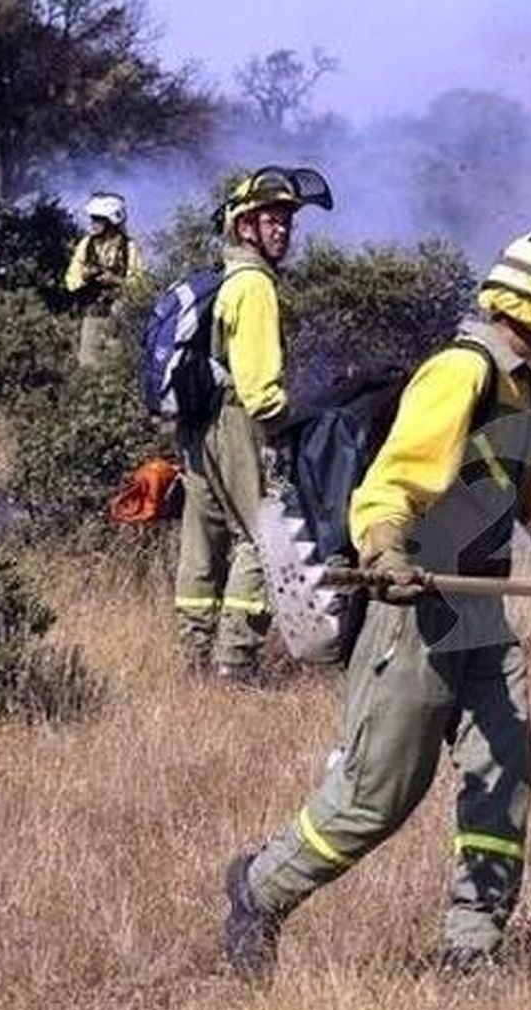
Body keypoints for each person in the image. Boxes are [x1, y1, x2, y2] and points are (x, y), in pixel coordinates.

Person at [222, 227, 531, 981]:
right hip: (414, 611)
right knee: (378, 797)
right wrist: (385, 551)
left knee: (504, 775)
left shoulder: (517, 387)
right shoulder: (460, 373)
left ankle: (470, 948)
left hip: (480, 611)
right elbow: (394, 483)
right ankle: (259, 886)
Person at [173, 169, 311, 683]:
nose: (284, 230)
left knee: (201, 539)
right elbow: (259, 388)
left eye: (287, 221)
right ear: (245, 226)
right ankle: (234, 663)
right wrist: (284, 428)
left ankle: (193, 655)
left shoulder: (224, 277)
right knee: (262, 537)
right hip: (238, 420)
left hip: (199, 423)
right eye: (272, 220)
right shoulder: (255, 287)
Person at [64, 191, 143, 368]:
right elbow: (71, 280)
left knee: (115, 369)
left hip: (118, 319)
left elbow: (139, 285)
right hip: (91, 317)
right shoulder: (87, 245)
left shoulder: (129, 248)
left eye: (98, 219)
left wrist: (115, 280)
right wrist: (86, 276)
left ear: (111, 220)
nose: (93, 223)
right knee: (88, 369)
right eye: (93, 218)